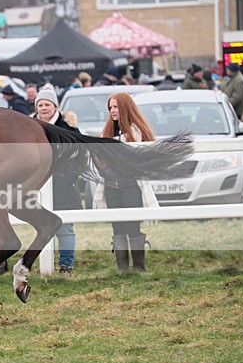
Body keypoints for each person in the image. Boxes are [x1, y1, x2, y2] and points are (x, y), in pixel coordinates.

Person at [93, 92, 158, 273]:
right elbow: (100, 158)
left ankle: (139, 267)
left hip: (131, 184)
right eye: (110, 108)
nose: (113, 111)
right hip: (110, 184)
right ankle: (122, 268)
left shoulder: (136, 131)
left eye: (116, 107)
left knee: (132, 226)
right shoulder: (106, 132)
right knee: (117, 226)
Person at [32, 84, 82, 274]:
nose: (43, 108)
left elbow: (79, 157)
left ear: (55, 107)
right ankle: (44, 264)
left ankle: (66, 265)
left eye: (47, 104)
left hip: (63, 186)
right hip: (36, 186)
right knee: (42, 226)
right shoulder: (28, 128)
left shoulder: (69, 129)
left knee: (65, 227)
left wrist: (67, 178)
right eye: (40, 104)